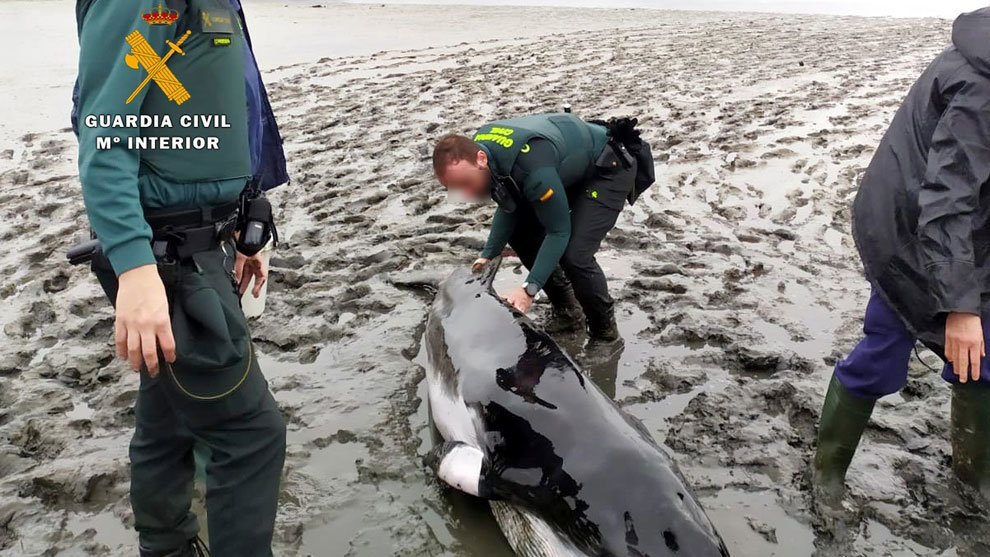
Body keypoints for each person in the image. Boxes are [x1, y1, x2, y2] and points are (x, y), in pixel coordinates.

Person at [72, 0, 288, 554]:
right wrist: (136, 268)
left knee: (167, 418)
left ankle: (166, 545)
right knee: (250, 434)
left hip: (203, 240)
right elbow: (106, 134)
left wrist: (248, 227)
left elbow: (220, 109)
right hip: (171, 258)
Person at [814, 8, 990, 503]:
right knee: (883, 353)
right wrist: (960, 307)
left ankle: (973, 480)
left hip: (970, 232)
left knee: (983, 356)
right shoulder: (981, 86)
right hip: (908, 232)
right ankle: (826, 473)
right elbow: (947, 200)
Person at [432, 113, 653, 347]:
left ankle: (606, 335)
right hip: (565, 167)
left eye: (466, 183)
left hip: (608, 169)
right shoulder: (484, 153)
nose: (466, 195)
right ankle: (568, 310)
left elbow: (559, 232)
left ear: (481, 159)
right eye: (455, 189)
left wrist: (529, 289)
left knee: (575, 254)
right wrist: (489, 252)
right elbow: (510, 207)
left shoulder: (533, 172)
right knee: (519, 232)